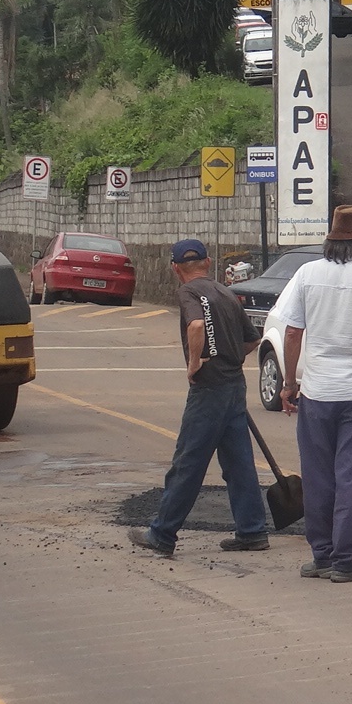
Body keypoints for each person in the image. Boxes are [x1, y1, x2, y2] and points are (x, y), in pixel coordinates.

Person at [272, 206, 352, 583]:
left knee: (317, 476)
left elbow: (292, 332)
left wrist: (289, 383)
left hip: (317, 391)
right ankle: (347, 560)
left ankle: (323, 555)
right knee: (349, 476)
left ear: (331, 239)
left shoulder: (307, 274)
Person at [128, 239, 272, 558]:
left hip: (209, 390)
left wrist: (197, 362)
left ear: (175, 268)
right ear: (208, 263)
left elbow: (196, 325)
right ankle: (252, 530)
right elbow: (252, 339)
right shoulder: (226, 293)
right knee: (239, 464)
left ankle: (162, 533)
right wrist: (228, 355)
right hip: (234, 386)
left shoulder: (189, 292)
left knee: (188, 462)